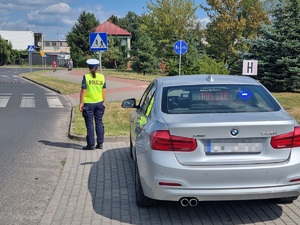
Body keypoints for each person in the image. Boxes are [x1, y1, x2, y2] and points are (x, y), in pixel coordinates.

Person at [79, 59, 106, 150]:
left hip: (89, 104)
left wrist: (81, 103)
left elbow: (83, 90)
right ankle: (100, 143)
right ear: (97, 68)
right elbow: (104, 90)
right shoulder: (102, 77)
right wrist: (103, 101)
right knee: (99, 122)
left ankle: (91, 145)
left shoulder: (86, 77)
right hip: (99, 103)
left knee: (90, 124)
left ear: (89, 68)